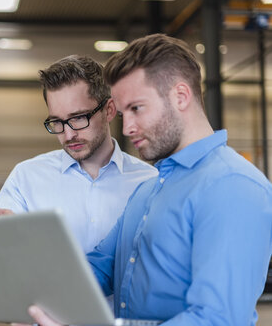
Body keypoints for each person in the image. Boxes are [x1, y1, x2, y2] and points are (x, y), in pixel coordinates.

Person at [21, 34, 272, 326]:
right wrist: (32, 292)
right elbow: (101, 267)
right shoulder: (149, 189)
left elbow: (217, 319)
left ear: (180, 96)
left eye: (137, 109)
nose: (126, 128)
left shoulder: (233, 186)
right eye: (123, 112)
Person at [0, 55, 157, 254]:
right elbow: (6, 257)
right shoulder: (25, 179)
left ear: (109, 110)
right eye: (57, 122)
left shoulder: (149, 182)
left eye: (78, 118)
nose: (69, 135)